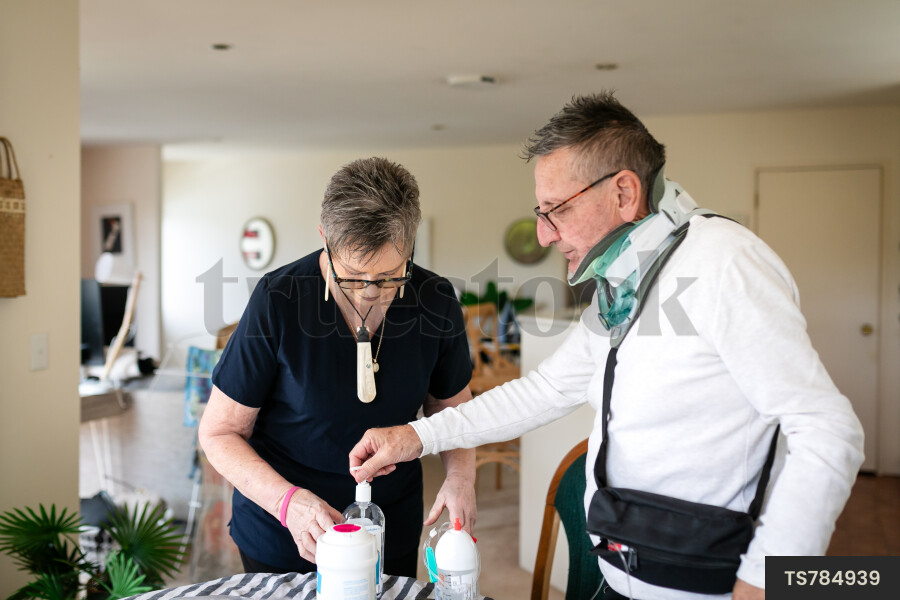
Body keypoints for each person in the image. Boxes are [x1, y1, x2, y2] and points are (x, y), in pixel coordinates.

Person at [349, 94, 865, 599]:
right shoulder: (624, 284)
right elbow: (546, 390)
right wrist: (415, 437)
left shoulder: (724, 264)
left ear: (623, 192)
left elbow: (828, 430)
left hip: (711, 583)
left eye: (556, 211)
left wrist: (766, 577)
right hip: (619, 572)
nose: (544, 235)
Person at [199, 157, 477, 577]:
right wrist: (286, 502)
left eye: (389, 276)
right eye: (351, 276)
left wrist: (461, 475)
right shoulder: (278, 300)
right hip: (284, 530)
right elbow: (219, 432)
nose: (369, 293)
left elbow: (453, 411)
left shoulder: (435, 299)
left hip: (388, 527)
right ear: (324, 239)